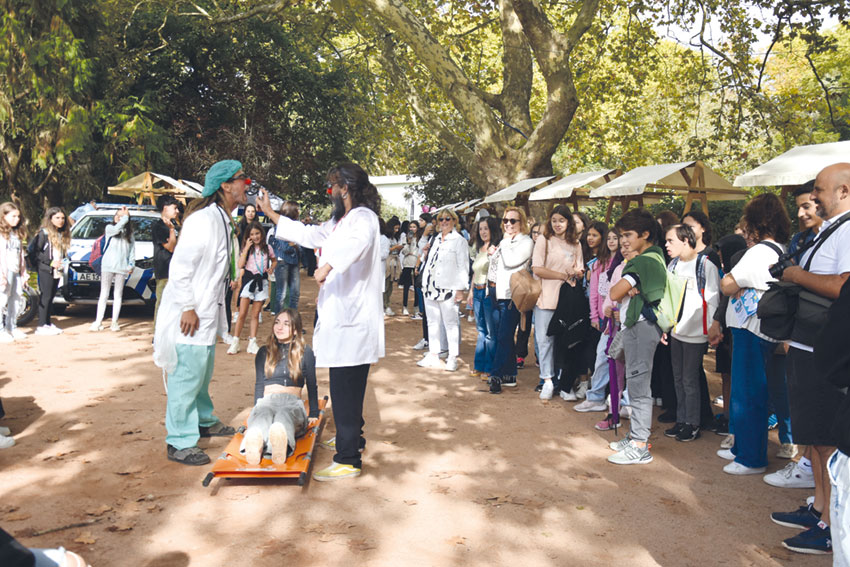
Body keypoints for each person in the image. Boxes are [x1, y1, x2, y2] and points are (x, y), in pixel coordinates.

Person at [257, 162, 384, 481]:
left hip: (353, 321)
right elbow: (311, 234)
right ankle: (351, 437)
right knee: (346, 385)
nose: (330, 192)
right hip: (341, 316)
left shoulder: (364, 218)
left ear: (346, 187)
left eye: (333, 186)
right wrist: (273, 215)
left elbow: (355, 247)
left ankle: (348, 458)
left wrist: (328, 266)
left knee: (346, 388)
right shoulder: (342, 220)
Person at [770, 163, 850, 555]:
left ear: (844, 191)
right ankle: (821, 509)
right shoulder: (831, 229)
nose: (813, 197)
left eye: (819, 189)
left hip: (825, 349)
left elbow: (843, 285)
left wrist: (795, 276)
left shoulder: (849, 229)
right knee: (816, 439)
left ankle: (834, 524)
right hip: (806, 345)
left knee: (828, 443)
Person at [154, 159, 248, 465]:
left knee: (202, 369)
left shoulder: (223, 218)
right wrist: (188, 307)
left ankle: (203, 420)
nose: (246, 184)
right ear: (225, 185)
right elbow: (180, 268)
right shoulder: (202, 220)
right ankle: (179, 440)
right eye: (241, 179)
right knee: (186, 374)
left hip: (208, 310)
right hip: (191, 311)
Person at [718, 193, 791, 476]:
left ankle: (750, 457)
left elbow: (728, 284)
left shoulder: (759, 252)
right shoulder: (778, 249)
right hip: (757, 328)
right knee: (750, 390)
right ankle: (744, 449)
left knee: (747, 393)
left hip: (750, 328)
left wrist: (732, 282)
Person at [606, 208, 666, 465]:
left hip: (641, 327)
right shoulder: (656, 257)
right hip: (643, 327)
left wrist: (626, 289)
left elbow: (615, 292)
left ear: (646, 234)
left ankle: (640, 445)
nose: (623, 241)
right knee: (636, 383)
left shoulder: (643, 261)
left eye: (628, 235)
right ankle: (635, 438)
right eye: (621, 236)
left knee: (639, 387)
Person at [663, 224, 720, 442]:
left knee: (689, 379)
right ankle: (682, 419)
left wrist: (714, 328)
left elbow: (713, 298)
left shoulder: (704, 264)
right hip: (676, 330)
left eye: (671, 241)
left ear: (686, 241)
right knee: (678, 378)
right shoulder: (673, 264)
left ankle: (693, 423)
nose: (667, 245)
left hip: (696, 332)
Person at [243, 309, 319, 464]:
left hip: (291, 402)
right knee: (263, 416)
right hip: (267, 400)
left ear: (296, 330)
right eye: (277, 322)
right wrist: (256, 407)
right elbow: (259, 384)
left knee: (283, 417)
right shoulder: (264, 352)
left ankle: (278, 445)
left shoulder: (305, 352)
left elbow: (312, 384)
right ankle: (255, 441)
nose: (279, 327)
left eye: (286, 324)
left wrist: (314, 412)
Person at [532, 206, 583, 400]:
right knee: (544, 341)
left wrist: (576, 273)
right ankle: (547, 379)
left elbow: (580, 268)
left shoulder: (575, 244)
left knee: (565, 341)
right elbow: (537, 269)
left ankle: (563, 382)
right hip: (546, 297)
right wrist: (562, 275)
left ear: (568, 222)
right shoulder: (544, 240)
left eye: (561, 220)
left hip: (567, 299)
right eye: (554, 220)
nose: (557, 224)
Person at [576, 225, 623, 412]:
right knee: (601, 355)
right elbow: (594, 292)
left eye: (616, 238)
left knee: (621, 361)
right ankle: (595, 396)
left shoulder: (626, 263)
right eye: (609, 238)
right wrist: (594, 316)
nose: (612, 241)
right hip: (606, 320)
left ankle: (618, 400)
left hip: (624, 318)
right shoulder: (598, 263)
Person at [487, 206, 534, 393]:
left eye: (513, 221)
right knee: (502, 336)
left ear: (521, 222)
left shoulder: (526, 241)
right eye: (506, 220)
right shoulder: (504, 241)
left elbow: (512, 262)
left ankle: (496, 375)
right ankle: (509, 374)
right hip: (497, 292)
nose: (508, 224)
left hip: (514, 295)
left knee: (504, 336)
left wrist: (503, 246)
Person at [417, 209, 469, 372]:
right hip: (430, 286)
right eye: (441, 219)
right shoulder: (435, 239)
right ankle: (434, 353)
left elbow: (463, 266)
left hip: (448, 287)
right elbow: (430, 261)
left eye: (448, 219)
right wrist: (425, 254)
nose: (444, 222)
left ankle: (453, 356)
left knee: (451, 323)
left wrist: (460, 289)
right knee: (432, 322)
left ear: (454, 221)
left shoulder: (459, 241)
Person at [228, 221, 276, 355]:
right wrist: (246, 248)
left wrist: (271, 268)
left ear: (262, 233)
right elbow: (240, 264)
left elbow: (274, 259)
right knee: (242, 313)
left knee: (255, 314)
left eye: (257, 233)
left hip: (262, 282)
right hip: (249, 282)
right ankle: (235, 342)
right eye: (252, 234)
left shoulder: (267, 248)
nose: (255, 237)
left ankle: (252, 342)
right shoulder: (247, 249)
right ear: (248, 236)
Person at [89, 206, 135, 332]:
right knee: (104, 294)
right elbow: (116, 229)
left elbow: (132, 251)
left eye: (123, 215)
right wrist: (125, 217)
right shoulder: (109, 228)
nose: (119, 217)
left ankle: (114, 321)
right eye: (117, 215)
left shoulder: (129, 234)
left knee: (118, 295)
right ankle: (98, 321)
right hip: (107, 266)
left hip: (121, 267)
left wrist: (131, 264)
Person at [467, 216, 501, 379]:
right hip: (478, 291)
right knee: (480, 330)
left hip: (489, 293)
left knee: (490, 332)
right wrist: (471, 292)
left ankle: (490, 366)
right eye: (480, 229)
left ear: (492, 229)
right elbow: (475, 272)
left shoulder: (497, 249)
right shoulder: (479, 248)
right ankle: (479, 365)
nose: (483, 232)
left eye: (486, 228)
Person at [28, 207, 70, 336]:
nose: (60, 220)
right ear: (50, 219)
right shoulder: (43, 234)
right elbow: (36, 252)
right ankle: (41, 325)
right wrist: (50, 262)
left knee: (51, 296)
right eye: (57, 218)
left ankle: (47, 323)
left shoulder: (61, 233)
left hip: (57, 270)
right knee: (45, 296)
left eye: (62, 218)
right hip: (45, 269)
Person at [0, 202, 28, 342]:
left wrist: (24, 274)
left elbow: (20, 255)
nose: (16, 219)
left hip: (16, 270)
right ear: (3, 216)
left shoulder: (16, 234)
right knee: (2, 300)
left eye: (18, 216)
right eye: (13, 216)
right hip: (4, 271)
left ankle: (12, 327)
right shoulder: (1, 234)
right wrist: (2, 275)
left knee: (16, 299)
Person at [152, 195, 180, 323]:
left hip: (176, 270)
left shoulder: (175, 226)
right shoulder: (159, 226)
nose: (177, 211)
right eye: (174, 208)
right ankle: (157, 334)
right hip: (164, 270)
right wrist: (171, 231)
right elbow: (171, 247)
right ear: (165, 208)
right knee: (162, 303)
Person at [269, 201, 301, 313]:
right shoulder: (280, 226)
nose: (299, 212)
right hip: (282, 262)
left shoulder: (297, 226)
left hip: (294, 262)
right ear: (291, 211)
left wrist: (294, 243)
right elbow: (285, 248)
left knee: (295, 294)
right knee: (281, 294)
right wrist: (295, 243)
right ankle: (279, 321)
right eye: (297, 209)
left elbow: (301, 245)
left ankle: (292, 322)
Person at [399, 221, 420, 316]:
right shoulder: (405, 238)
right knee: (406, 287)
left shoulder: (420, 238)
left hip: (417, 264)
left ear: (417, 228)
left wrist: (414, 254)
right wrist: (408, 242)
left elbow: (420, 252)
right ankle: (405, 306)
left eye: (414, 227)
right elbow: (404, 252)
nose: (412, 229)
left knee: (417, 287)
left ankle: (416, 307)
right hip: (407, 264)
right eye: (410, 227)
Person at [383, 218, 402, 315]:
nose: (397, 231)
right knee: (385, 285)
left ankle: (386, 304)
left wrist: (398, 249)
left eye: (398, 229)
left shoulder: (394, 238)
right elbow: (384, 251)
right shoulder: (384, 238)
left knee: (390, 285)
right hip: (386, 264)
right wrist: (394, 247)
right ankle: (385, 305)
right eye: (395, 228)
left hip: (393, 263)